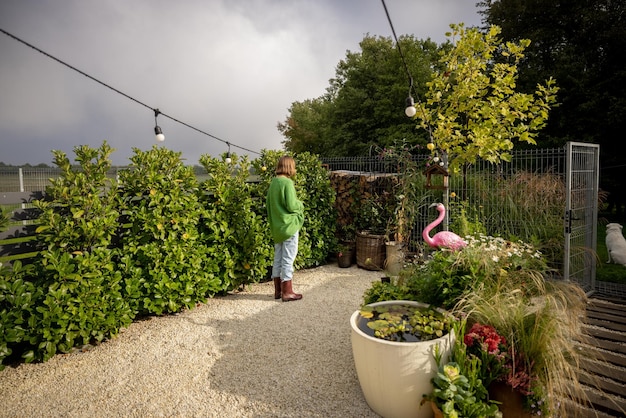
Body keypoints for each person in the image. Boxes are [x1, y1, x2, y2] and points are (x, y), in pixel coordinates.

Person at [266, 155, 304, 302]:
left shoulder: (273, 183)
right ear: (290, 167)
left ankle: (278, 291)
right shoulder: (287, 183)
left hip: (277, 228)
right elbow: (292, 205)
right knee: (288, 258)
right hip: (288, 226)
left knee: (278, 258)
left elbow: (269, 206)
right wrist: (301, 204)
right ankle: (287, 292)